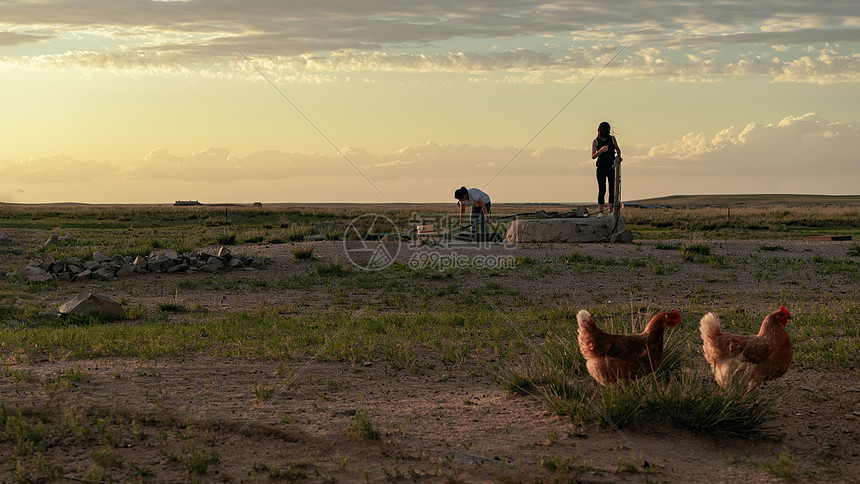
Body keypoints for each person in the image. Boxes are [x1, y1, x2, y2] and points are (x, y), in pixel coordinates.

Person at [591, 121, 622, 217]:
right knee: (602, 189)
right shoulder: (596, 141)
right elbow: (593, 156)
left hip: (611, 167)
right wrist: (601, 150)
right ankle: (600, 212)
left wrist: (618, 157)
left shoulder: (612, 139)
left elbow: (617, 149)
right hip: (601, 168)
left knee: (612, 189)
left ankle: (611, 211)